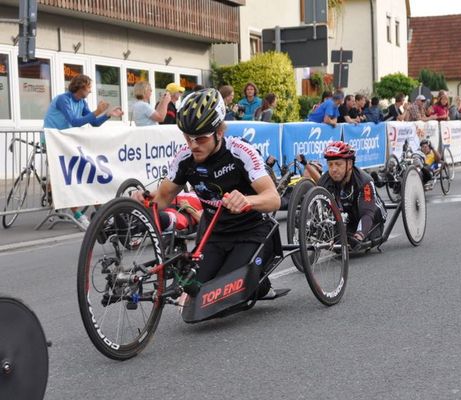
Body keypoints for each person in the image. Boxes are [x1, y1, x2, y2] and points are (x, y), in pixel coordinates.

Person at [132, 88, 287, 299]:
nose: (193, 145)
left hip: (252, 230)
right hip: (215, 233)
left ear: (219, 132)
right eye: (188, 138)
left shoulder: (240, 151)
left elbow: (273, 199)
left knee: (224, 295)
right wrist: (141, 201)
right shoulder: (185, 158)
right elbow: (162, 198)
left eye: (201, 139)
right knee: (193, 289)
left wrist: (247, 200)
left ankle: (260, 285)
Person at [43, 73, 123, 227]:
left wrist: (108, 115)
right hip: (54, 142)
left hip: (67, 142)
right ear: (80, 87)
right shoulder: (63, 99)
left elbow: (93, 123)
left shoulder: (82, 102)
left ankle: (100, 211)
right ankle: (78, 214)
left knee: (84, 174)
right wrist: (96, 112)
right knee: (68, 177)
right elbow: (74, 121)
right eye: (89, 88)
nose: (90, 91)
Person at [317, 141, 387, 251]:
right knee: (339, 243)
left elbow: (368, 213)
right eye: (330, 164)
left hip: (372, 215)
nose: (333, 169)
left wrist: (359, 235)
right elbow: (319, 209)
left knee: (360, 242)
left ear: (349, 164)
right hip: (348, 218)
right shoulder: (324, 181)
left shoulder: (364, 181)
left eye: (338, 164)